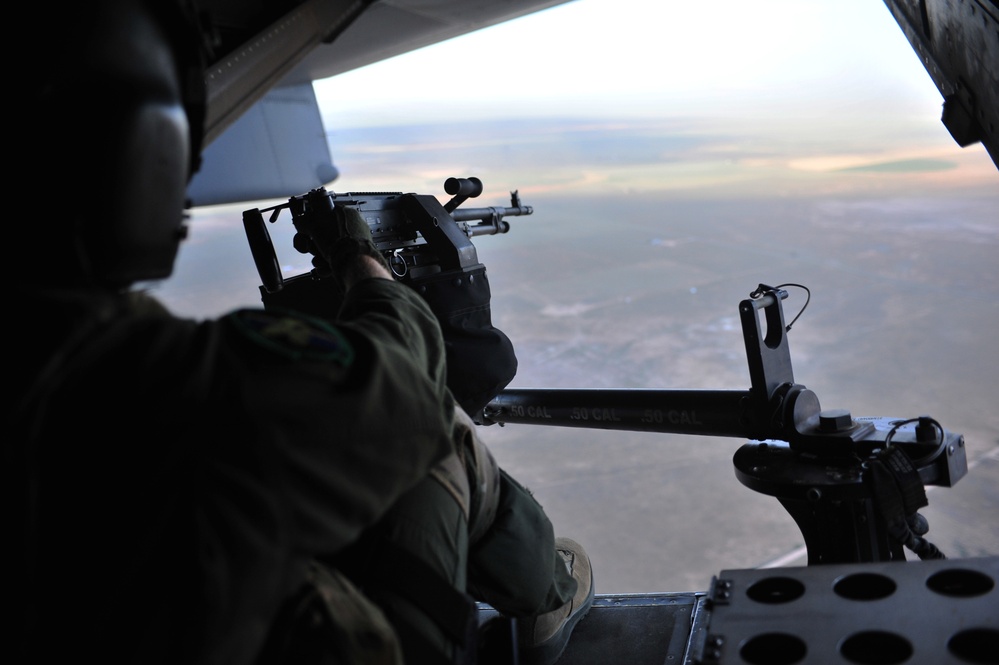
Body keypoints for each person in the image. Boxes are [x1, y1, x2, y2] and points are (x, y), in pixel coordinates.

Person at [9, 2, 593, 664]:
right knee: (442, 438)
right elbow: (401, 386)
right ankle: (550, 597)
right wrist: (360, 261)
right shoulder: (137, 364)